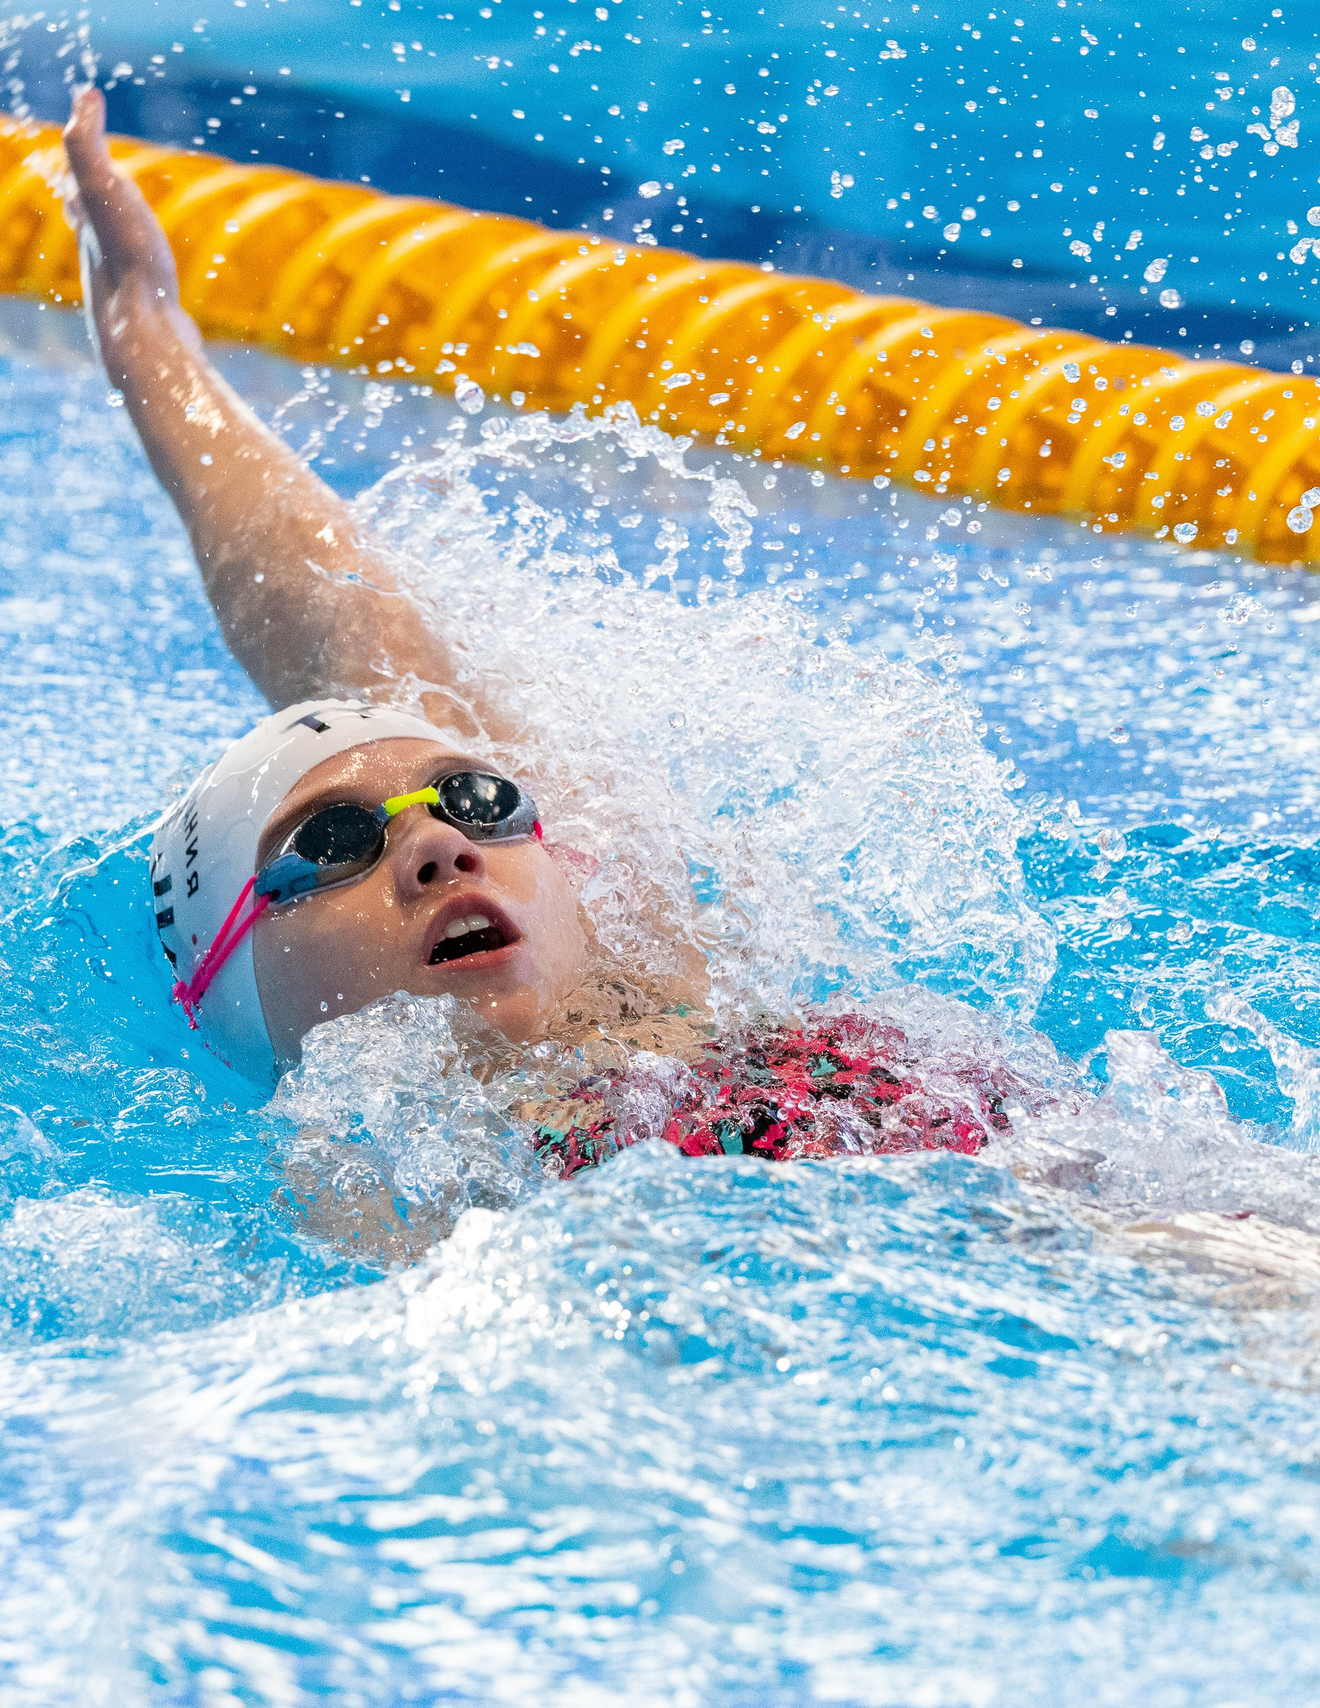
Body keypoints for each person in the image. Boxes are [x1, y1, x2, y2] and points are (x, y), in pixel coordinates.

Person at [61, 85, 1016, 1175]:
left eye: (478, 797)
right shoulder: (363, 1198)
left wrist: (146, 333)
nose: (438, 845)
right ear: (230, 987)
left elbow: (347, 615)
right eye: (329, 845)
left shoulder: (656, 977)